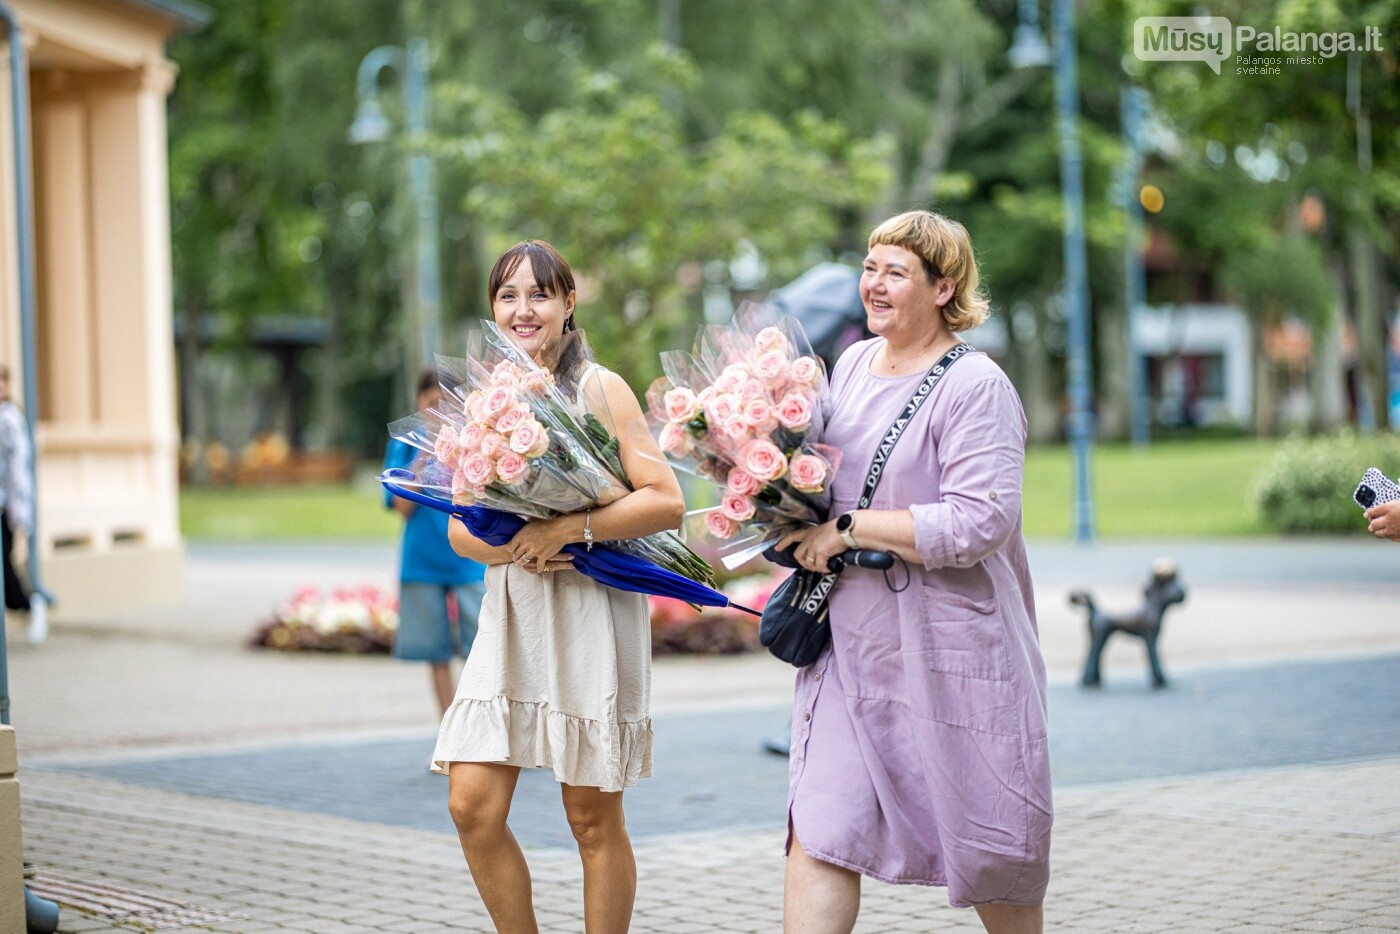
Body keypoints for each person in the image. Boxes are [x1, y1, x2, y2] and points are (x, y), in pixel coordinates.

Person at [776, 210, 1051, 934]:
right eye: (870, 267)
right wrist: (768, 492)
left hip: (950, 645)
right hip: (852, 641)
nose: (873, 284)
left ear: (943, 287)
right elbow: (822, 482)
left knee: (993, 843)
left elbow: (979, 521)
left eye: (895, 272)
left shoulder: (976, 386)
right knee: (820, 825)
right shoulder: (852, 366)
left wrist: (847, 530)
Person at [435, 240, 686, 934]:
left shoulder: (599, 387)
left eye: (539, 294)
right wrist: (520, 537)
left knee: (590, 818)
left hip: (589, 610)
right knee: (471, 805)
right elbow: (458, 533)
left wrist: (567, 528)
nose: (523, 309)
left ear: (568, 304)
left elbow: (665, 501)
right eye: (508, 296)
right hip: (514, 613)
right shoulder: (486, 402)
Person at [384, 370, 487, 716]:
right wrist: (426, 453)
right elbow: (401, 505)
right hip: (422, 559)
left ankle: (482, 725)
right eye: (431, 404)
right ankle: (449, 730)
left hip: (470, 558)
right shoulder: (405, 442)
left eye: (447, 404)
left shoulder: (476, 441)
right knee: (435, 651)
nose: (439, 412)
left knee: (484, 647)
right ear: (419, 403)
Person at [0, 365, 45, 645]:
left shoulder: (9, 420)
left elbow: (17, 470)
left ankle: (30, 604)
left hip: (5, 507)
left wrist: (20, 512)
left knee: (4, 569)